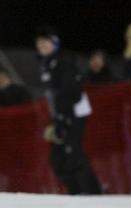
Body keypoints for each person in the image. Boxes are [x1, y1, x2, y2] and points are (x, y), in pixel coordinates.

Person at [35, 27, 102, 195]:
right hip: (60, 114)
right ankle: (75, 192)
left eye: (45, 42)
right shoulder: (46, 64)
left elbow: (72, 91)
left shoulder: (63, 60)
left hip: (74, 113)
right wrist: (56, 118)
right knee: (58, 156)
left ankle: (90, 193)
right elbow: (52, 96)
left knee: (73, 152)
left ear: (55, 43)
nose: (41, 46)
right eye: (39, 43)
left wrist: (63, 117)